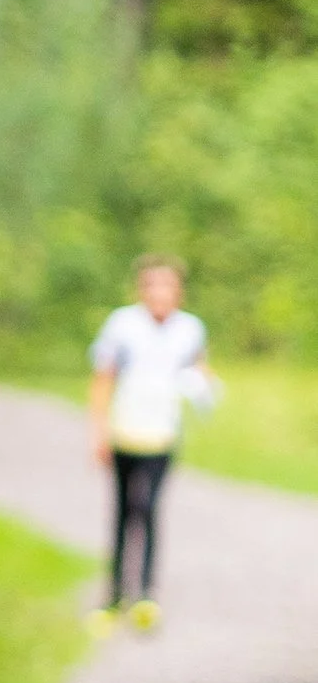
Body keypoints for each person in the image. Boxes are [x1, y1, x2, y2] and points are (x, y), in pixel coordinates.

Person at [88, 254, 213, 627]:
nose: (160, 293)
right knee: (123, 510)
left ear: (179, 292)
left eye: (168, 286)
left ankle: (144, 594)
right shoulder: (122, 325)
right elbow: (103, 379)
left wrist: (202, 388)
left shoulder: (190, 329)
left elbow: (200, 370)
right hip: (126, 430)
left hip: (163, 433)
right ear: (141, 290)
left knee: (149, 507)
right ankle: (113, 595)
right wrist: (98, 430)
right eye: (152, 285)